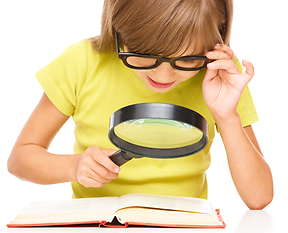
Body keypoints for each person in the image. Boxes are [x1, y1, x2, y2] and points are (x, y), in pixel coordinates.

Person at [8, 0, 273, 210]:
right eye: (144, 55)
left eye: (187, 60)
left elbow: (259, 197)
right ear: (118, 27)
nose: (163, 76)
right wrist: (74, 167)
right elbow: (20, 159)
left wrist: (227, 117)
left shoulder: (222, 75)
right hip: (96, 229)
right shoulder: (83, 62)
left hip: (185, 229)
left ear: (216, 44)